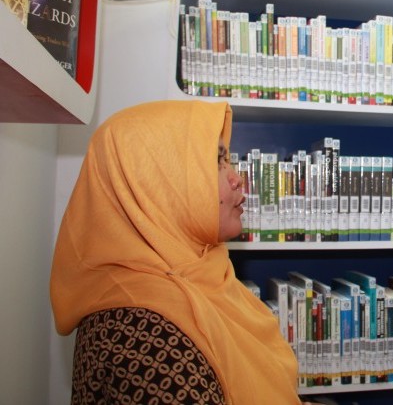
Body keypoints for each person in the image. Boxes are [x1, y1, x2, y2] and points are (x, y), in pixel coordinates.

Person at [50, 100, 307, 404]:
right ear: (157, 185)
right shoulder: (141, 335)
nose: (237, 178)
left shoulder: (206, 272)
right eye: (217, 162)